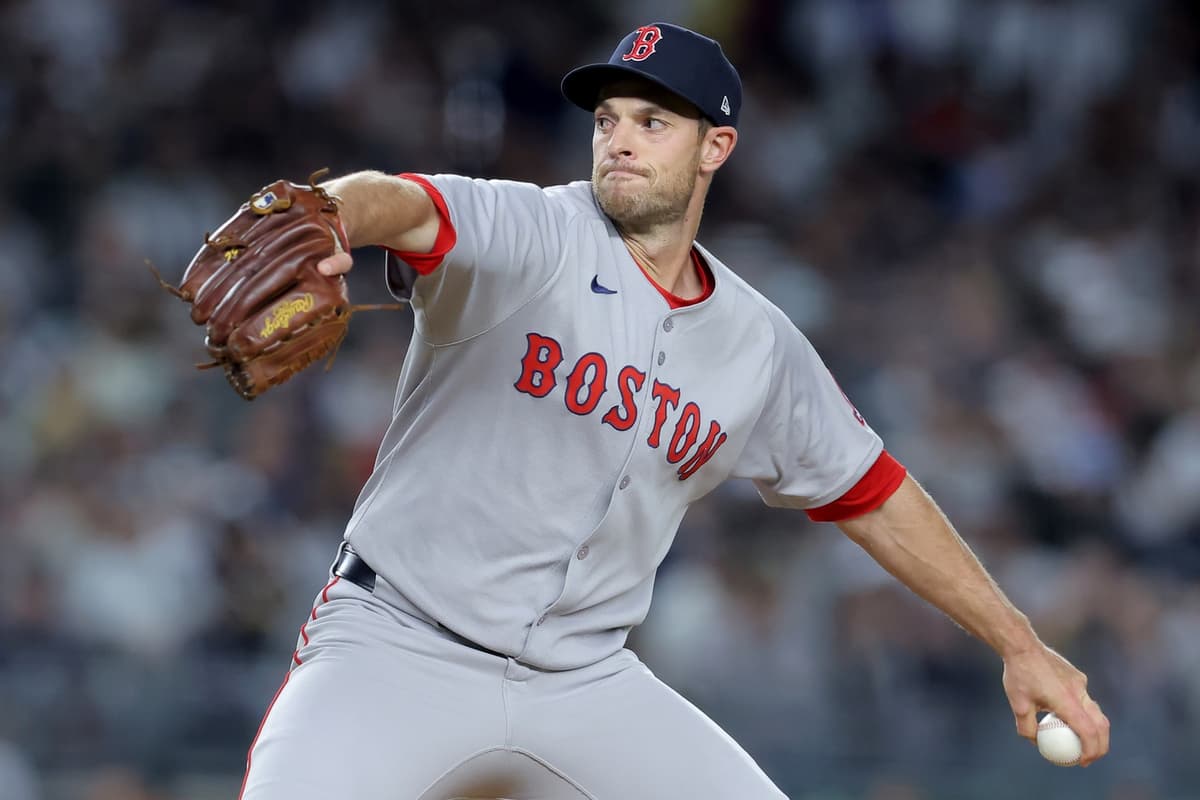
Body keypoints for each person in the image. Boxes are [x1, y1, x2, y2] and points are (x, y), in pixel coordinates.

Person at [234, 22, 1110, 799]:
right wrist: (333, 216)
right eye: (607, 119)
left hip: (584, 681)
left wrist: (1018, 642)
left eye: (653, 123)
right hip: (397, 647)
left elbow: (874, 493)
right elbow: (408, 201)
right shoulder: (534, 231)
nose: (619, 140)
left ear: (714, 148)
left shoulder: (754, 342)